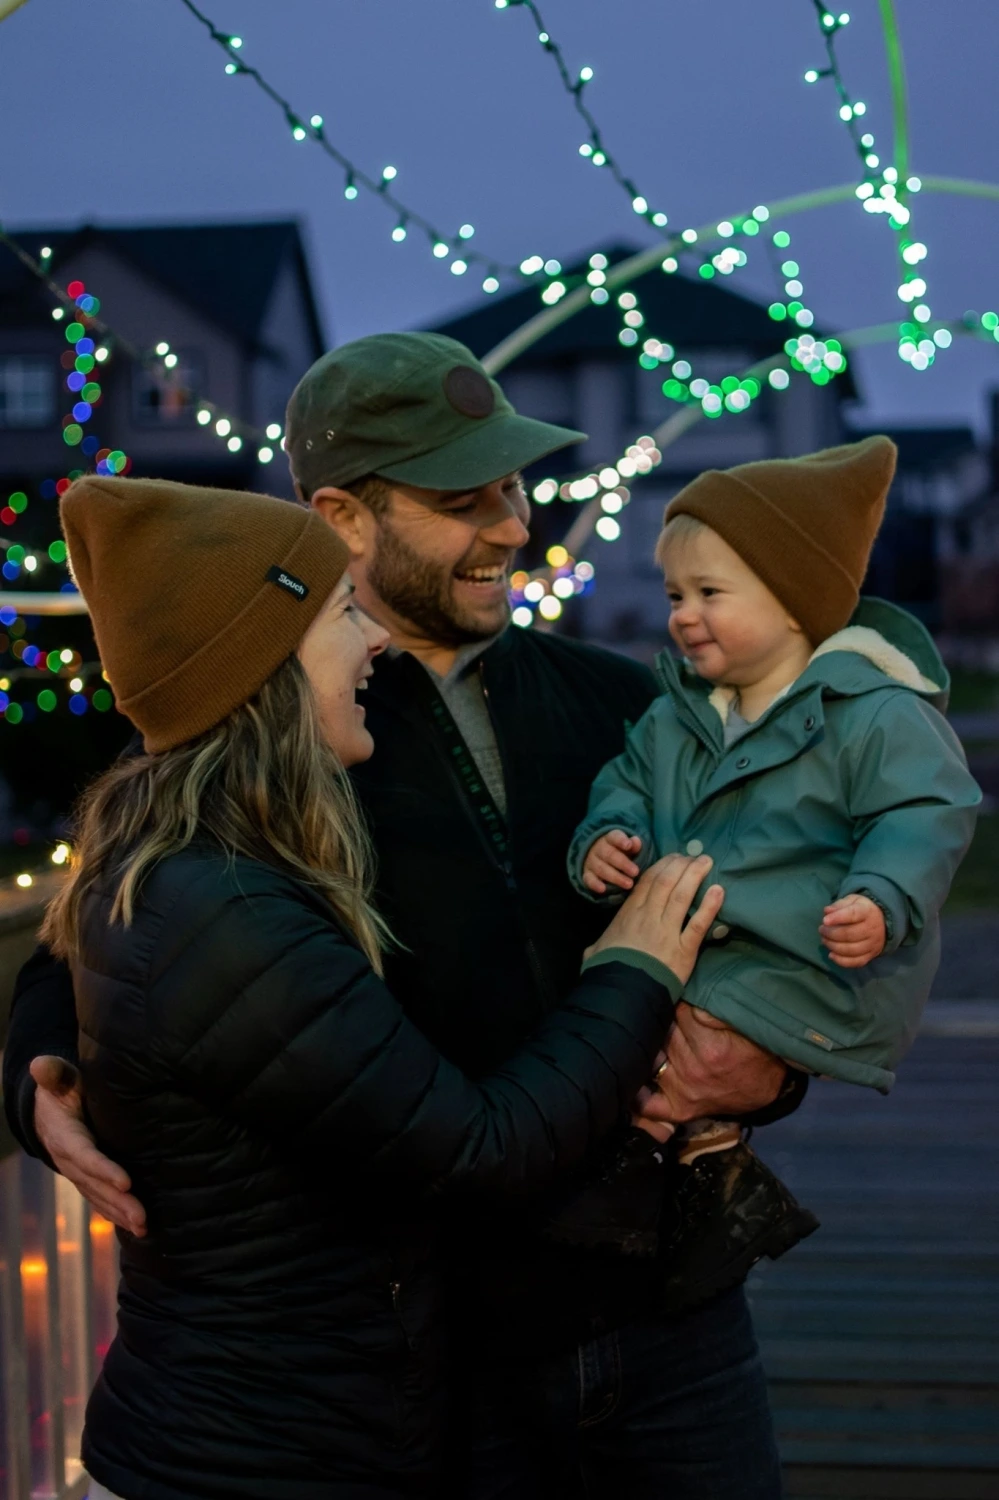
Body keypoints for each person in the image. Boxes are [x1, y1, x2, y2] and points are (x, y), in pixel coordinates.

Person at [5, 333, 799, 1498]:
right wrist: (35, 1074)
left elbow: (780, 913)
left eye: (515, 486)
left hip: (672, 1316)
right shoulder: (255, 731)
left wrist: (774, 1069)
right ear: (342, 516)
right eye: (460, 497)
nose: (514, 525)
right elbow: (98, 927)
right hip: (446, 1355)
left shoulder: (629, 705)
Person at [565, 437, 981, 1304]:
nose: (682, 615)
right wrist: (603, 836)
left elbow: (922, 811)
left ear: (794, 601)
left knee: (651, 1059)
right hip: (704, 957)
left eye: (710, 594)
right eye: (677, 594)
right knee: (634, 1042)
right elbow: (626, 786)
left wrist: (882, 894)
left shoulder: (868, 715)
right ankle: (694, 1186)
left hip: (811, 961)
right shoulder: (678, 716)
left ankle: (659, 1179)